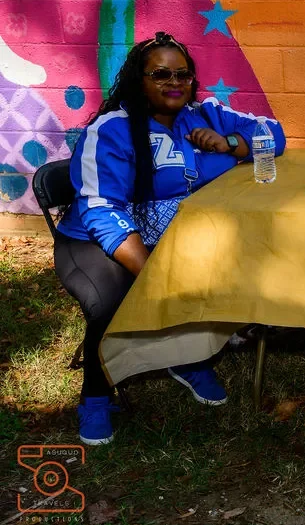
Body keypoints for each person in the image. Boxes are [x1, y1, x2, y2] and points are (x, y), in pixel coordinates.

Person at [54, 32, 286, 445]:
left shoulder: (205, 114)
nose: (174, 82)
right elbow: (100, 209)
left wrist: (231, 143)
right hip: (97, 240)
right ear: (138, 80)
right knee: (112, 300)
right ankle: (96, 396)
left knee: (236, 256)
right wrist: (151, 271)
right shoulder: (111, 130)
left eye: (183, 74)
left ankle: (187, 359)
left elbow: (274, 134)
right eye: (161, 74)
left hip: (173, 234)